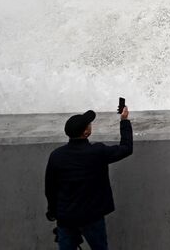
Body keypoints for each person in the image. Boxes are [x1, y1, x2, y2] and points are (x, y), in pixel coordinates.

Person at [44, 103, 134, 250]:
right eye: (89, 124)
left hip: (66, 217)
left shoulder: (56, 156)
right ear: (86, 132)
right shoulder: (97, 152)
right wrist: (124, 120)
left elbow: (50, 188)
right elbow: (126, 148)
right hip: (92, 216)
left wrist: (54, 212)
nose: (90, 125)